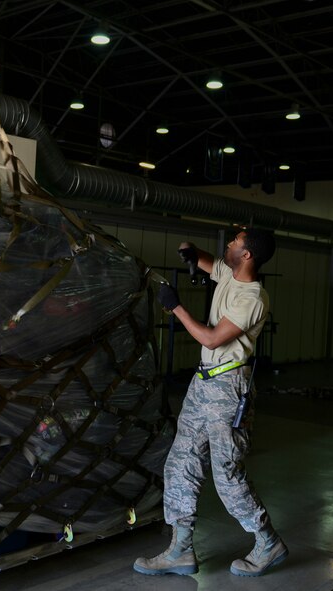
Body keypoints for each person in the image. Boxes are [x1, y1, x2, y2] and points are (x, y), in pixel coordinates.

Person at [134, 228, 287, 578]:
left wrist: (176, 308)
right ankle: (180, 550)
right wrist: (191, 251)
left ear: (247, 255)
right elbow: (207, 261)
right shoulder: (229, 274)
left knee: (227, 474)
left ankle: (267, 542)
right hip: (203, 383)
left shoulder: (252, 297)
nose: (229, 245)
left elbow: (213, 338)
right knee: (180, 462)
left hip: (228, 388)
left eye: (234, 242)